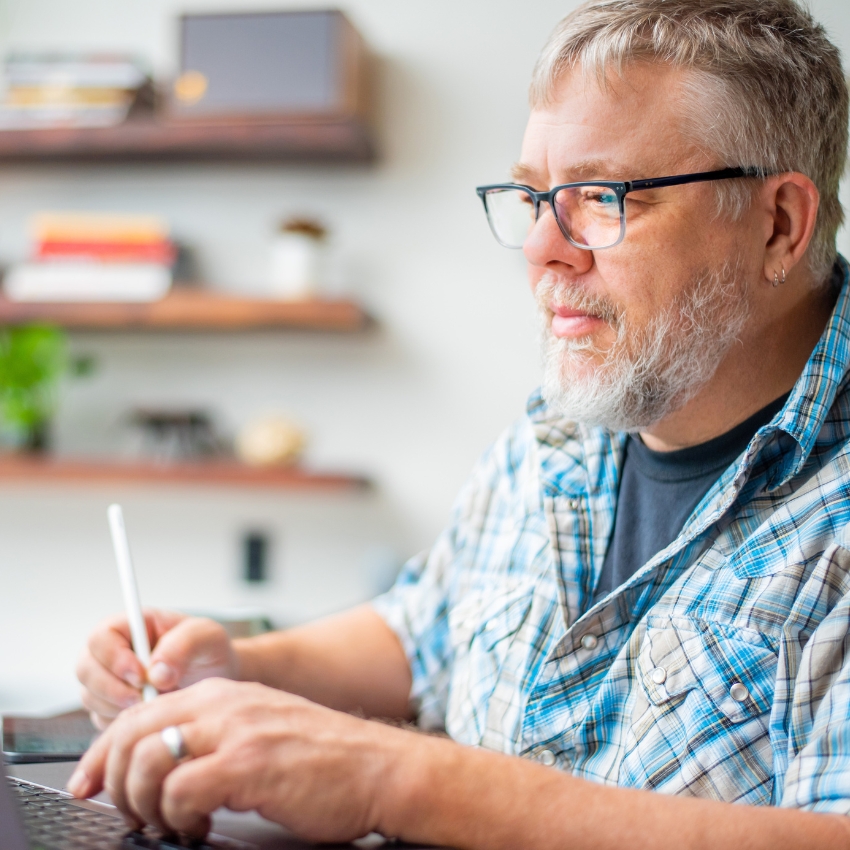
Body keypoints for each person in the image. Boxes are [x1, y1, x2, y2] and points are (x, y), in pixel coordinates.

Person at [72, 1, 850, 847]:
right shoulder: (562, 432)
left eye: (599, 196)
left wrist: (398, 777)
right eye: (532, 197)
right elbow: (424, 629)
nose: (541, 247)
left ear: (778, 224)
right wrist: (234, 670)